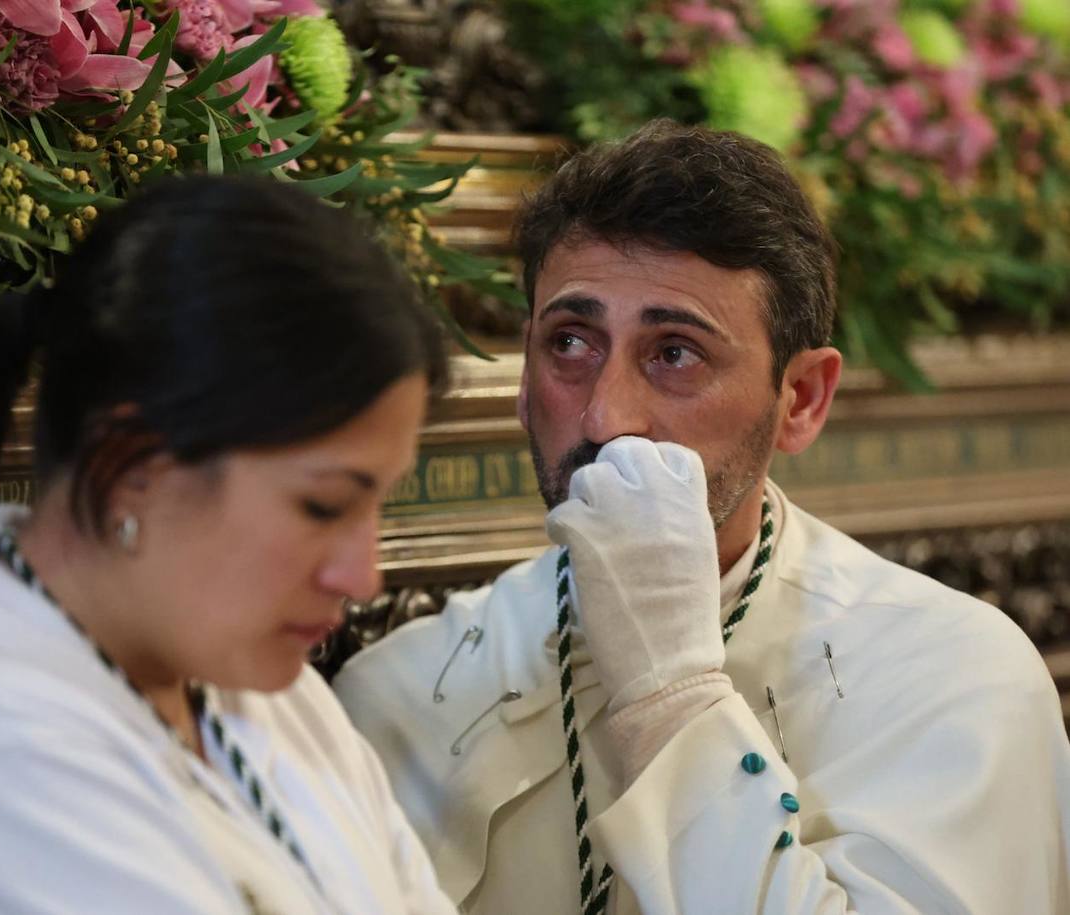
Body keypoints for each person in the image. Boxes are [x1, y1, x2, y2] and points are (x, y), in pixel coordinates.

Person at [333, 120, 1070, 914]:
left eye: (675, 352)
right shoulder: (399, 692)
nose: (606, 416)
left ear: (802, 399)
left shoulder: (955, 678)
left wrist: (670, 693)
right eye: (571, 342)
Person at [0, 175, 459, 914]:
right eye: (324, 506)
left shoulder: (259, 691)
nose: (365, 574)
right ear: (128, 468)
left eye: (380, 503)